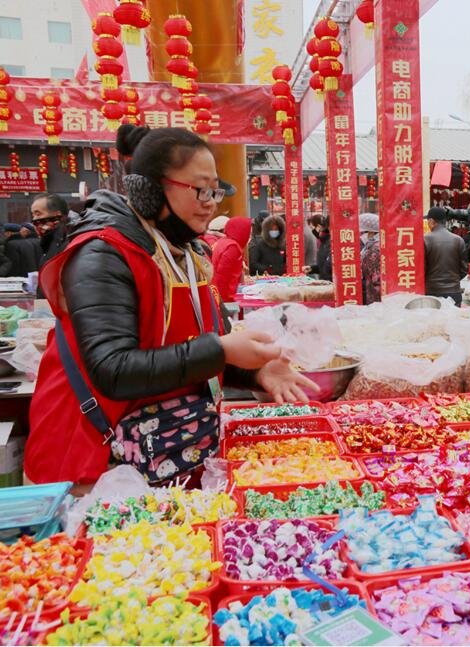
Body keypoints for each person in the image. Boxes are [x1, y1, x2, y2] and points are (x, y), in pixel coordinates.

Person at [25, 124, 316, 487]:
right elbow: (113, 369)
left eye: (215, 190)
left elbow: (201, 350)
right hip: (91, 457)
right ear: (149, 190)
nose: (211, 202)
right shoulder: (102, 254)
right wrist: (222, 349)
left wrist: (255, 372)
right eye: (200, 189)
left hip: (162, 448)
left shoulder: (188, 253)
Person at [423, 207, 468, 305]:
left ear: (431, 221)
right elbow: (464, 269)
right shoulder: (458, 240)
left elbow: (422, 268)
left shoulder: (425, 240)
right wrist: (453, 281)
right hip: (454, 291)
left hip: (432, 291)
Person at [212, 216, 252, 301]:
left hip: (217, 293)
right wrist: (224, 302)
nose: (249, 236)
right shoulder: (232, 247)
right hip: (225, 298)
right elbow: (222, 278)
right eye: (248, 233)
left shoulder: (222, 241)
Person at [30, 193, 71, 267]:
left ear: (57, 215)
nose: (34, 219)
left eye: (38, 214)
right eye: (33, 215)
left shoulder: (69, 241)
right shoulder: (50, 239)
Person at [359, 212, 381, 304]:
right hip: (371, 296)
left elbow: (376, 281)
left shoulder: (375, 250)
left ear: (371, 232)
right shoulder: (369, 247)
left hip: (375, 300)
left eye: (362, 232)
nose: (360, 236)